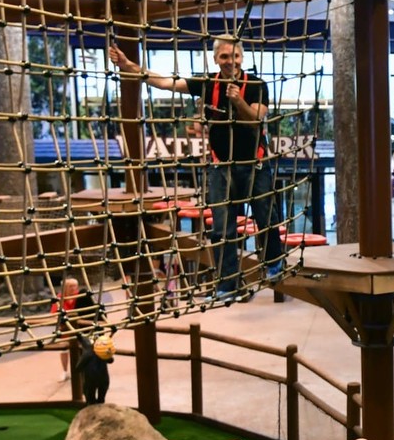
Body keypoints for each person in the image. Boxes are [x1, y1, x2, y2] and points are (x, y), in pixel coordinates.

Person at [107, 36, 277, 296]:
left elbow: (256, 120)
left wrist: (237, 101)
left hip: (254, 163)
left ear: (242, 58)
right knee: (221, 229)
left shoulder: (256, 85)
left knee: (265, 217)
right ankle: (228, 283)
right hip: (221, 167)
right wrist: (129, 65)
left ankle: (275, 262)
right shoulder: (207, 83)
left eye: (235, 57)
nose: (230, 62)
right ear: (215, 59)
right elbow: (165, 83)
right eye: (224, 57)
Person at [52, 276, 100, 380]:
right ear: (64, 288)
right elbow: (54, 314)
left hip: (80, 329)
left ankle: (84, 371)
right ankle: (65, 371)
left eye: (75, 286)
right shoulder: (59, 298)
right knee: (64, 349)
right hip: (66, 329)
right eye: (70, 286)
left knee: (84, 348)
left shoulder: (82, 296)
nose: (73, 288)